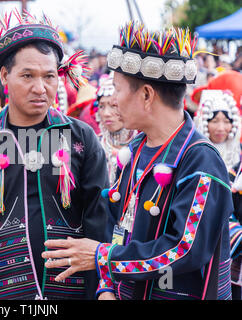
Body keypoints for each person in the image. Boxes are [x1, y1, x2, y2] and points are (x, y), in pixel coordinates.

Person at [42, 21, 233, 300]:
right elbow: (116, 228)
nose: (114, 101)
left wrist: (103, 258)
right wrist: (106, 287)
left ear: (146, 95)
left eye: (118, 90)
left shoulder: (200, 160)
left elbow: (185, 248)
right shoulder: (133, 151)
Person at [0, 10, 109, 300]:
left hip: (70, 291)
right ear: (5, 75)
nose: (40, 88)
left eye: (49, 76)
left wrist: (102, 290)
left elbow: (99, 222)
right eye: (27, 75)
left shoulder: (80, 138)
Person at [194, 89, 242, 300]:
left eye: (226, 120)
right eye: (215, 120)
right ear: (204, 122)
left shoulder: (238, 159)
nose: (221, 128)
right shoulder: (197, 155)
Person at [96, 74, 137, 184]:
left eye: (113, 106)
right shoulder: (94, 145)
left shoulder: (142, 144)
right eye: (101, 106)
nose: (106, 113)